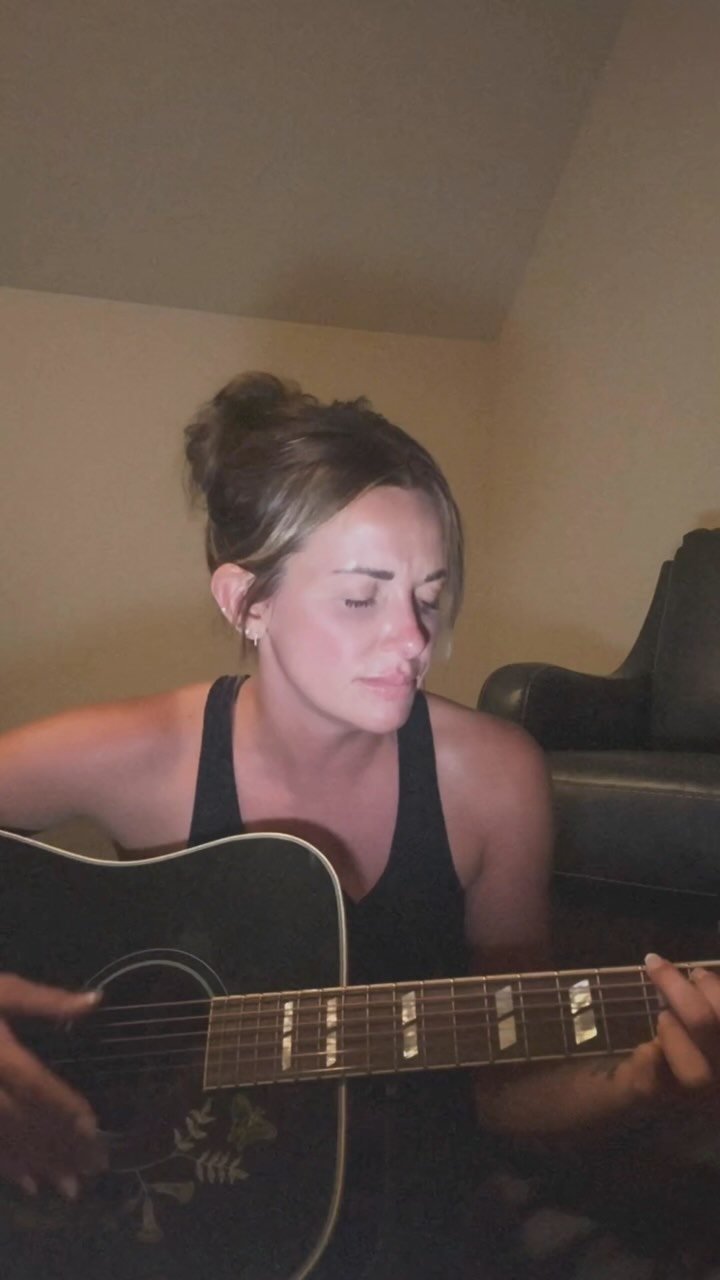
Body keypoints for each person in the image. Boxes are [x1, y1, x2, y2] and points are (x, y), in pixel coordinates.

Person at [1, 372, 719, 1278]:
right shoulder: (138, 754)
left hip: (413, 1208)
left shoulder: (494, 779)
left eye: (429, 595)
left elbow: (505, 1090)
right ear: (245, 602)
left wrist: (649, 1079)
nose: (413, 640)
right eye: (360, 597)